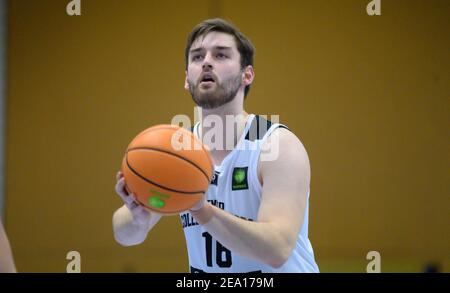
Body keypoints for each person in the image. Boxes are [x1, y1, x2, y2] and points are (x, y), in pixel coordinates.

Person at [113, 18, 319, 273]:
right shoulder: (176, 150)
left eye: (221, 55)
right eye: (197, 57)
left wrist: (201, 209)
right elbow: (125, 236)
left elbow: (276, 250)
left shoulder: (276, 146)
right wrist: (137, 218)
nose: (207, 61)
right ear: (187, 79)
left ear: (247, 74)